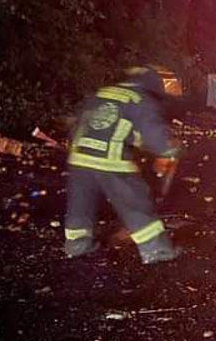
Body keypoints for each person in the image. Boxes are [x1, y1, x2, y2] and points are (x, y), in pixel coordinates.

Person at [64, 65, 182, 264]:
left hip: (79, 156)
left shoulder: (103, 93)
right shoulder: (139, 99)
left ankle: (76, 245)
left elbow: (83, 122)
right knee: (134, 202)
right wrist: (167, 150)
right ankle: (156, 250)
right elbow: (152, 132)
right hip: (109, 158)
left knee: (80, 204)